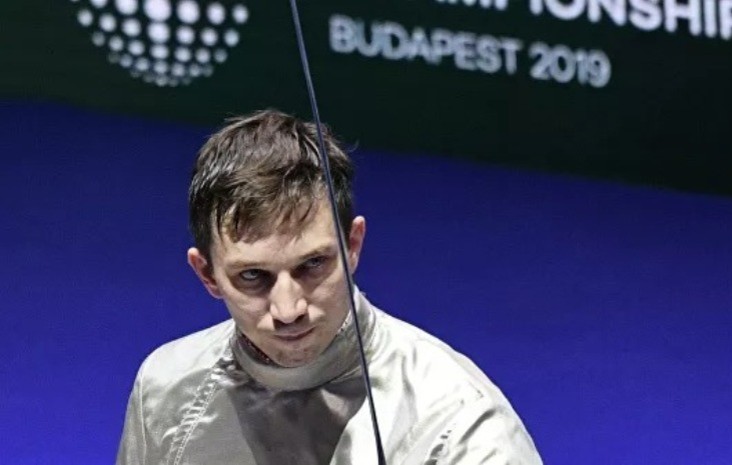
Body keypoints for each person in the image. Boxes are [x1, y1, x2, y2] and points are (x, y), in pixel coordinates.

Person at [116, 109, 543, 464]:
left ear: (353, 246)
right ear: (207, 274)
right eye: (253, 276)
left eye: (312, 265)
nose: (288, 310)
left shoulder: (461, 428)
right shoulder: (166, 390)